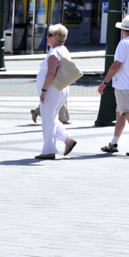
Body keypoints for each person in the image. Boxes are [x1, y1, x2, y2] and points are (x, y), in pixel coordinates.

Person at [35, 24, 77, 160]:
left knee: (48, 121)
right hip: (61, 89)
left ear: (56, 37)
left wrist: (44, 90)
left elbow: (51, 72)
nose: (47, 37)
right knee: (52, 118)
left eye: (50, 35)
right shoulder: (63, 50)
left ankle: (48, 150)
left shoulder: (54, 53)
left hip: (52, 90)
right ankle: (67, 139)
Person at [98, 15, 129, 155]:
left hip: (124, 85)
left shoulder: (124, 43)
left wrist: (104, 82)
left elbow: (116, 65)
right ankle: (113, 143)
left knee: (126, 113)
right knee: (120, 113)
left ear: (123, 31)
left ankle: (114, 143)